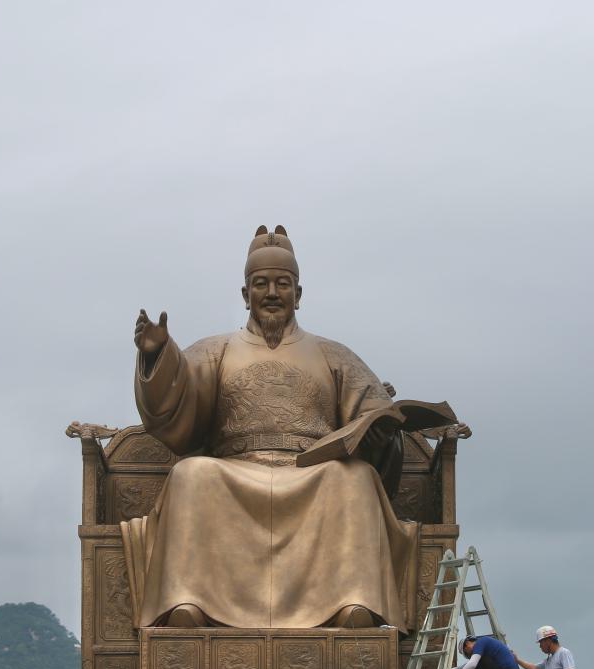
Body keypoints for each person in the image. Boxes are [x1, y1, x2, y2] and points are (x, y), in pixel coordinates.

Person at [123, 225, 469, 632]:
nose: (272, 293)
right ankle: (188, 603)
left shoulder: (335, 355)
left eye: (282, 284)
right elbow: (174, 410)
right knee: (191, 474)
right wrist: (157, 357)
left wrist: (380, 436)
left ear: (298, 295)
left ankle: (354, 604)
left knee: (356, 478)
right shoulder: (215, 350)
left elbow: (375, 414)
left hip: (313, 471)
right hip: (235, 468)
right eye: (261, 284)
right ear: (244, 294)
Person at [446, 635, 519, 669]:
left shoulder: (480, 642)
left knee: (476, 660)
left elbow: (472, 664)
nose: (469, 654)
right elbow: (471, 663)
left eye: (466, 652)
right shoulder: (486, 644)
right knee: (476, 660)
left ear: (467, 643)